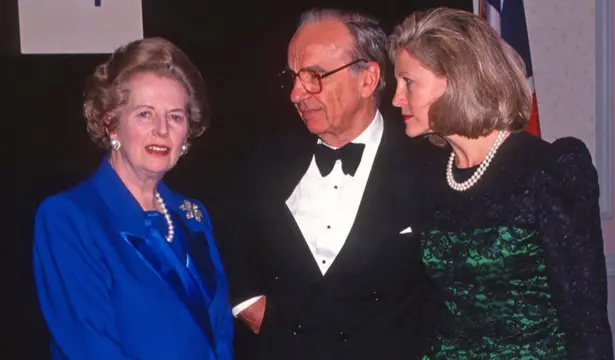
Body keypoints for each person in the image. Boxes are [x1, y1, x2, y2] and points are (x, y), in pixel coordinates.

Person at [388, 7, 614, 359]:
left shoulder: (550, 168)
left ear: (455, 78)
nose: (396, 98)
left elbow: (585, 316)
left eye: (408, 82)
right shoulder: (427, 173)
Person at [214, 8, 437, 360]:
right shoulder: (266, 157)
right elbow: (223, 232)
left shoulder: (427, 164)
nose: (296, 95)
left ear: (367, 79)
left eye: (315, 76)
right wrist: (246, 303)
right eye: (293, 77)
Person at [33, 37, 233, 360]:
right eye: (144, 114)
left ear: (187, 134)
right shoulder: (69, 218)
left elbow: (220, 331)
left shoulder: (193, 215)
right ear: (112, 124)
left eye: (175, 117)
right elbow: (91, 348)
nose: (161, 130)